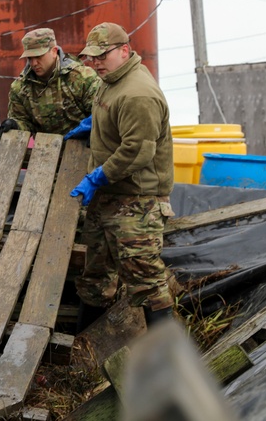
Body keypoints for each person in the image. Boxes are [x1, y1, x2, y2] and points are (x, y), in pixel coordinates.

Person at [66, 22, 175, 330]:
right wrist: (95, 122)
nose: (95, 63)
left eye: (102, 55)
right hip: (110, 198)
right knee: (96, 278)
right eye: (91, 57)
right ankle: (86, 354)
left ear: (124, 51)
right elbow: (114, 113)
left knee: (147, 282)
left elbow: (138, 151)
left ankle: (167, 360)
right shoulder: (112, 80)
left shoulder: (138, 93)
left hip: (136, 202)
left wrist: (96, 177)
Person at [0, 28, 100, 137]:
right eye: (30, 58)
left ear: (54, 51)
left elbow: (100, 113)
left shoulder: (82, 78)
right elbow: (24, 122)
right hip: (45, 149)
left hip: (83, 147)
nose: (34, 63)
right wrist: (15, 125)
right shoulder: (20, 88)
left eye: (38, 56)